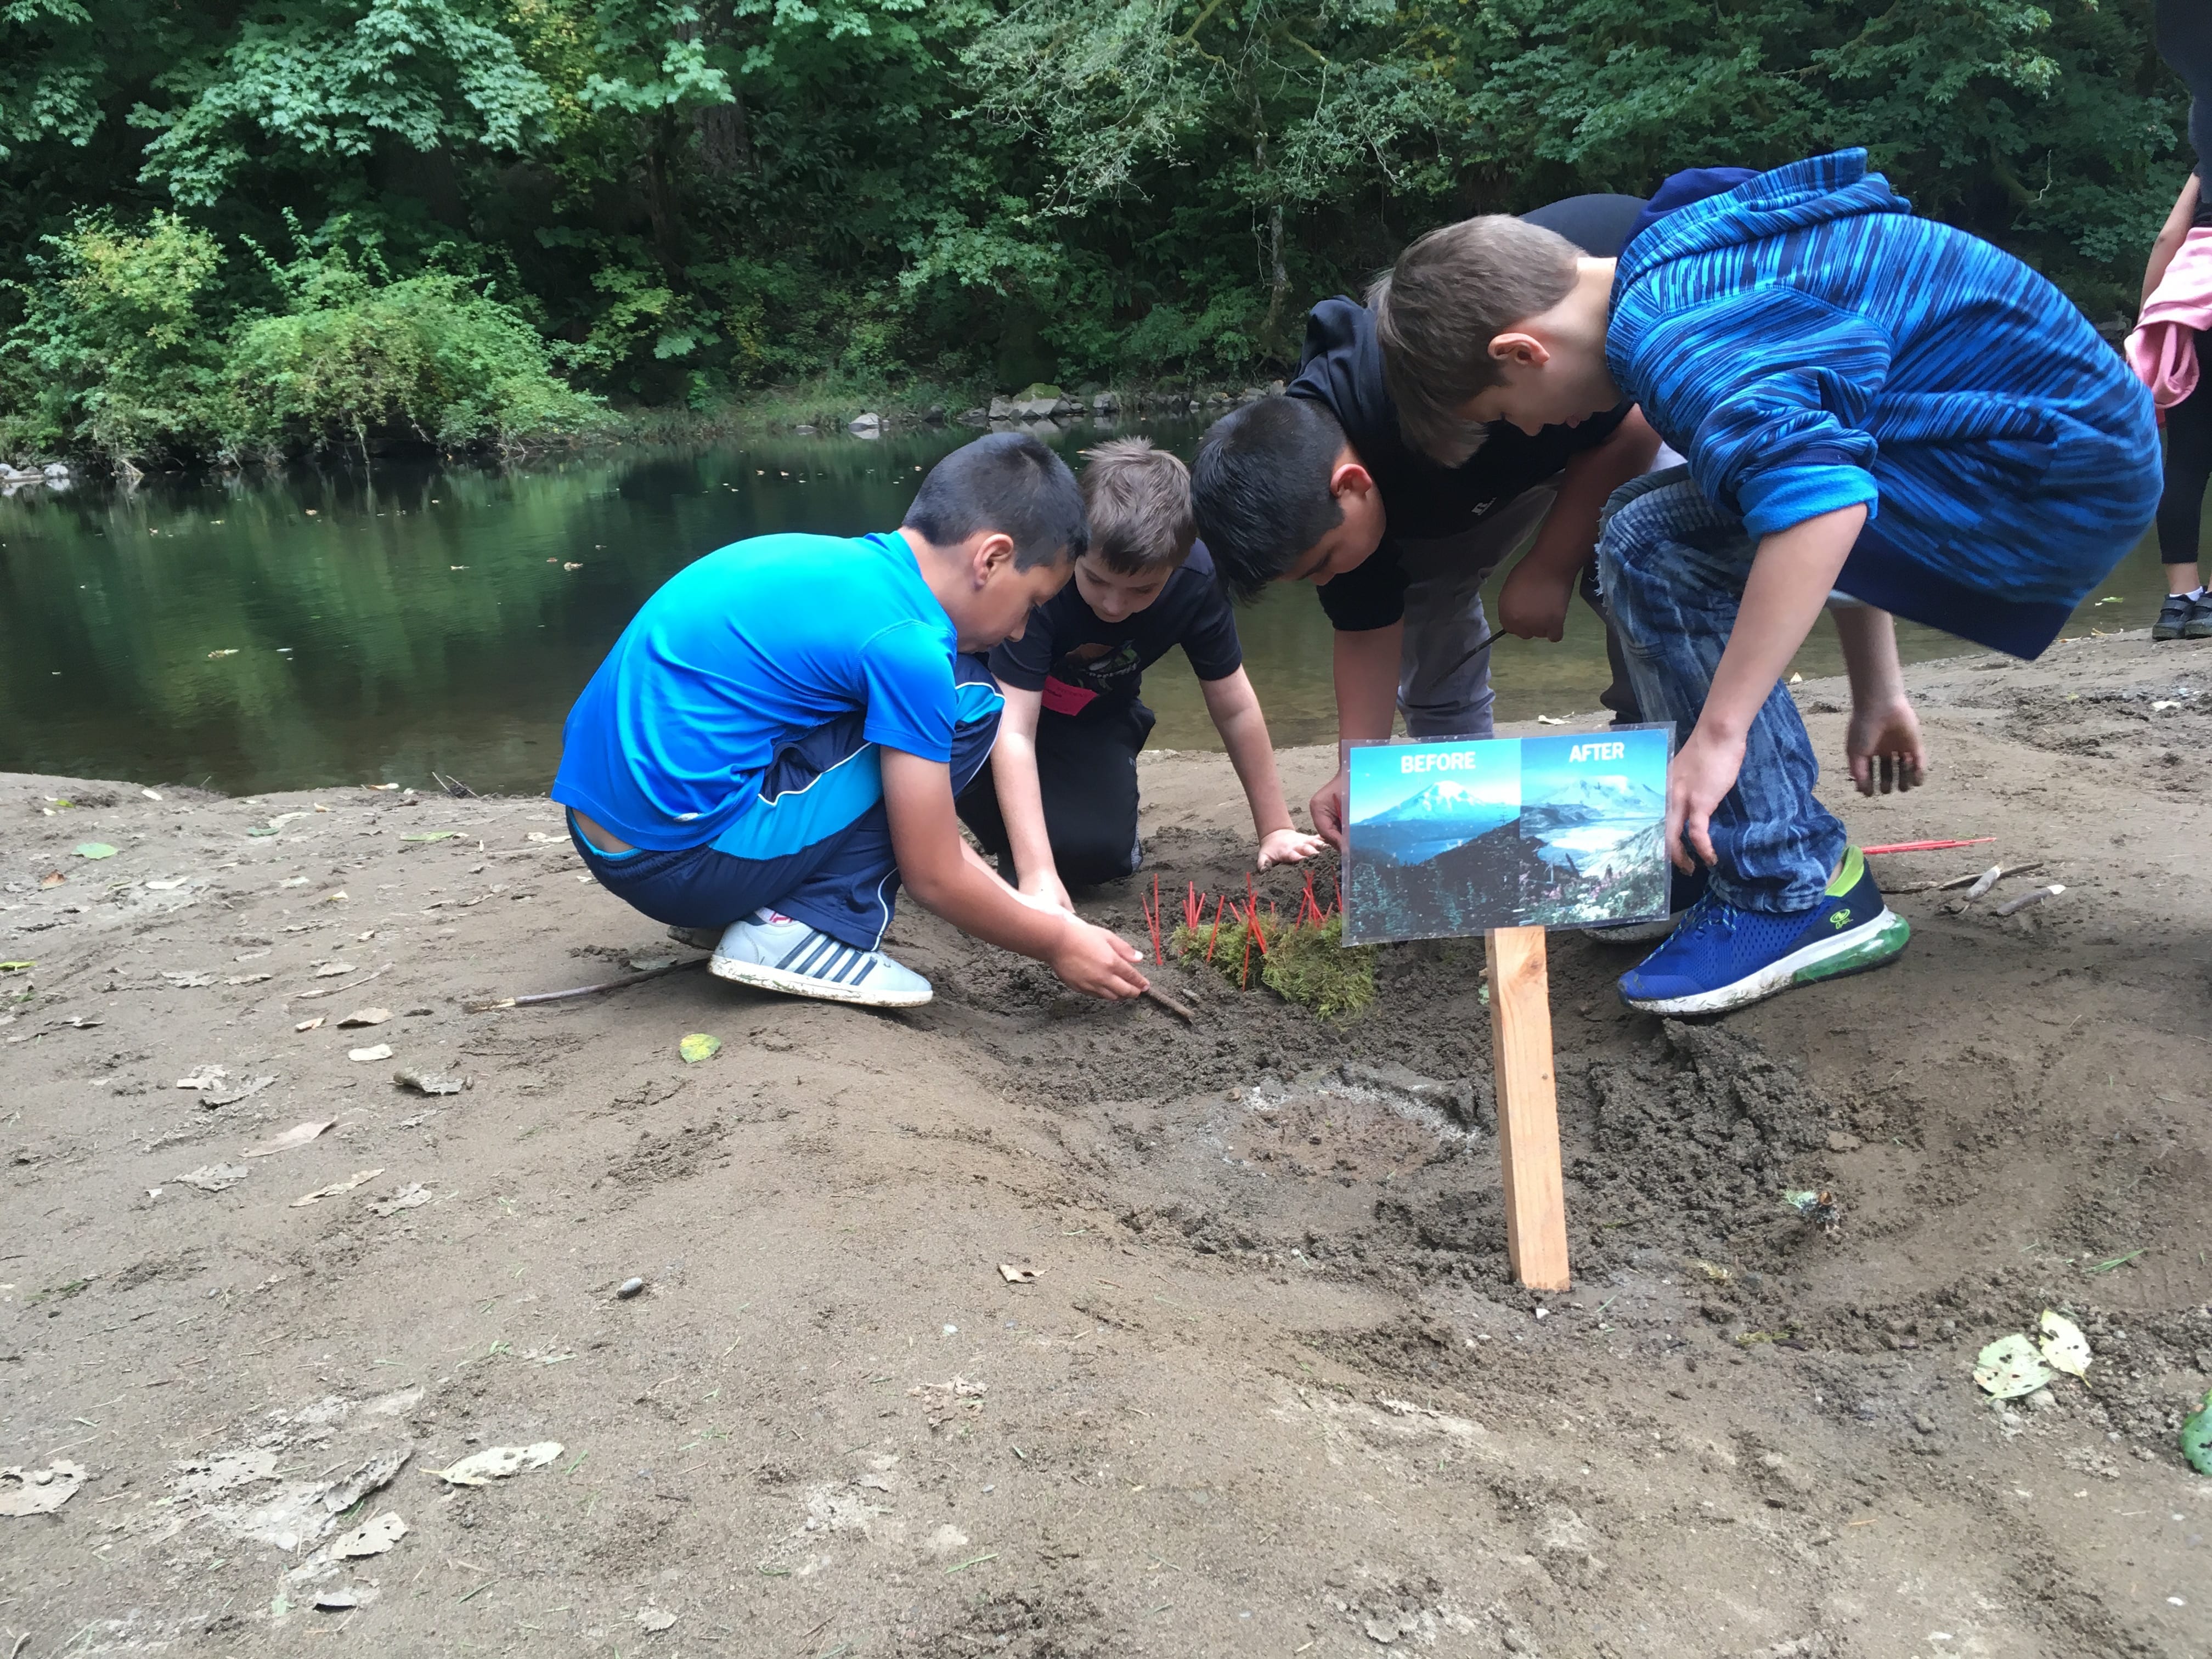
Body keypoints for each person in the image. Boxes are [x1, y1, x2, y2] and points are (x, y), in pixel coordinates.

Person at [1372, 149, 2160, 1015]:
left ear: (1520, 351)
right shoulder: (1680, 248)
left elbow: (1822, 506)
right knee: (1668, 521)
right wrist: (1877, 686)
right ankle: (1721, 854)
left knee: (1647, 541)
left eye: (1504, 415)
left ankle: (1790, 885)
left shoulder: (1673, 338)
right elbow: (1850, 434)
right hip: (2042, 443)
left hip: (2044, 477)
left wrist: (1719, 737)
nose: (1533, 429)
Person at [551, 431, 1149, 1010]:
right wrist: (1056, 942)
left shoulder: (825, 561)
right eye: (1033, 603)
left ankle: (743, 908)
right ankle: (802, 932)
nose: (1022, 630)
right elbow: (933, 873)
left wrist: (1025, 900)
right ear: (991, 559)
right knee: (972, 697)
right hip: (678, 859)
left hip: (603, 835)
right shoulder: (911, 648)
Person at [1190, 194, 1664, 857]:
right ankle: (1469, 803)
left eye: (1323, 562)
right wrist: (1358, 768)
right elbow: (1366, 626)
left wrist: (1551, 565)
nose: (1329, 579)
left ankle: (1656, 747)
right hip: (1462, 490)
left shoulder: (1458, 382)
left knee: (1638, 549)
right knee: (1425, 606)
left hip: (1612, 410)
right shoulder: (1313, 481)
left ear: (1351, 485)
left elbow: (1630, 426)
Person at [957, 438, 1324, 906]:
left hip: (1094, 717)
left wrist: (1275, 828)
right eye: (1096, 580)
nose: (1114, 605)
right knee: (949, 758)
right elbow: (1014, 732)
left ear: (1176, 565)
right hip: (995, 708)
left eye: (1142, 590)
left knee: (1096, 859)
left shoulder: (1198, 582)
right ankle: (1013, 842)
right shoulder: (1043, 575)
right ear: (1076, 548)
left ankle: (1052, 831)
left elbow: (1234, 706)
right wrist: (1038, 874)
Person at [2132, 168, 2212, 640]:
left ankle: (2181, 600)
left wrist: (2147, 320)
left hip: (2188, 310)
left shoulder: (2207, 160)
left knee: (2185, 459)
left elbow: (2168, 237)